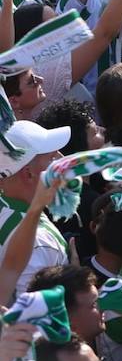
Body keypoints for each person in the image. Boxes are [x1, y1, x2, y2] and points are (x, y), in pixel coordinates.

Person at [0, 119, 72, 294]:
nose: (63, 162)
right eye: (52, 158)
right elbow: (40, 315)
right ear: (29, 173)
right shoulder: (38, 242)